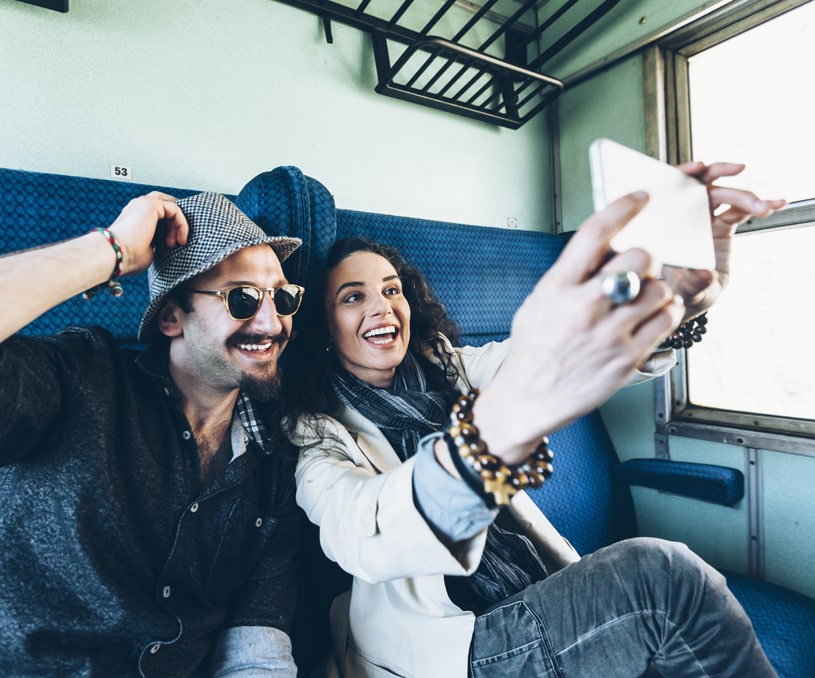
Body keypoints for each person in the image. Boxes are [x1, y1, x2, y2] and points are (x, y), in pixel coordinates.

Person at [283, 162, 785, 677]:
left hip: (526, 591)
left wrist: (674, 302)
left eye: (392, 290)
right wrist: (488, 444)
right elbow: (367, 533)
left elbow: (547, 357)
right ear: (324, 328)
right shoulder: (318, 439)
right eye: (353, 298)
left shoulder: (447, 367)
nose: (383, 307)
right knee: (663, 579)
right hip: (448, 645)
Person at [0, 191, 306, 676]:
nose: (272, 320)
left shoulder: (277, 459)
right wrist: (109, 250)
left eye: (282, 298)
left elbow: (255, 649)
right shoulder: (82, 380)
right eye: (241, 298)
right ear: (172, 316)